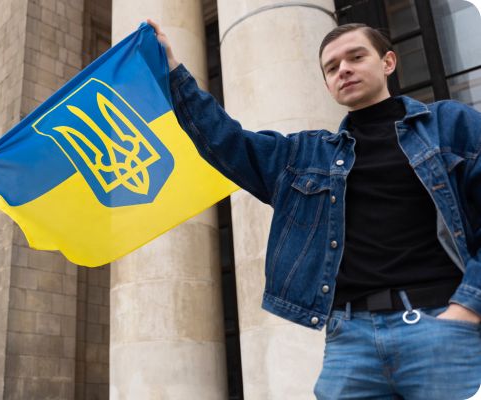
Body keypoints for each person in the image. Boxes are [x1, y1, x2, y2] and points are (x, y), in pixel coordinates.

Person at [148, 19, 481, 399]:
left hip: (440, 322)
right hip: (350, 340)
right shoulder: (305, 155)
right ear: (327, 84)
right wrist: (174, 71)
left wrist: (467, 311)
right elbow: (225, 141)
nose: (344, 69)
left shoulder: (449, 124)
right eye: (332, 66)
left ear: (388, 62)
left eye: (356, 57)